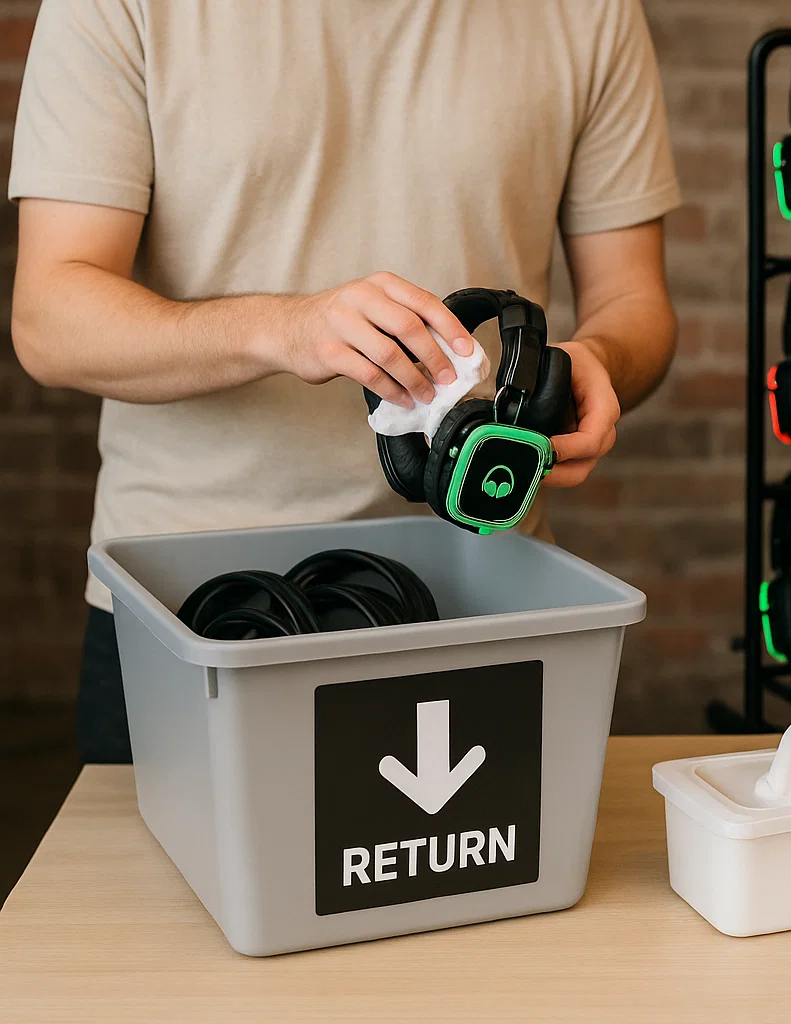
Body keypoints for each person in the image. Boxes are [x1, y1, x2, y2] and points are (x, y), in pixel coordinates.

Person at [9, 1, 681, 764]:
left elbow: (635, 302)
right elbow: (49, 318)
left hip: (485, 594)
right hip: (197, 620)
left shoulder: (589, 12)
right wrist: (281, 328)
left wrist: (596, 360)